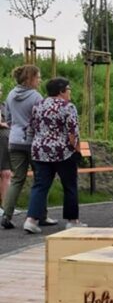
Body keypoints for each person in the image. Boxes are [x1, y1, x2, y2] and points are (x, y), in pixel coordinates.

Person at [22, 78, 85, 233]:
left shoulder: (38, 105)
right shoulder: (68, 107)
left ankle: (31, 220)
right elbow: (73, 133)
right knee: (69, 186)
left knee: (40, 185)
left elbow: (31, 128)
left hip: (40, 151)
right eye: (68, 89)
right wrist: (77, 150)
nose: (70, 92)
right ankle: (72, 220)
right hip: (63, 152)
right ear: (61, 90)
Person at [1, 65, 57, 229]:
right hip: (33, 142)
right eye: (38, 77)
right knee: (41, 179)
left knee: (17, 179)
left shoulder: (11, 94)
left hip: (14, 140)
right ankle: (41, 215)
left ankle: (6, 215)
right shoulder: (36, 96)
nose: (40, 80)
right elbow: (41, 120)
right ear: (29, 78)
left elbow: (8, 119)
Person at [0, 84, 11, 217]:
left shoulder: (4, 105)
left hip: (6, 142)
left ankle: (6, 206)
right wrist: (6, 124)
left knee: (6, 173)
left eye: (0, 90)